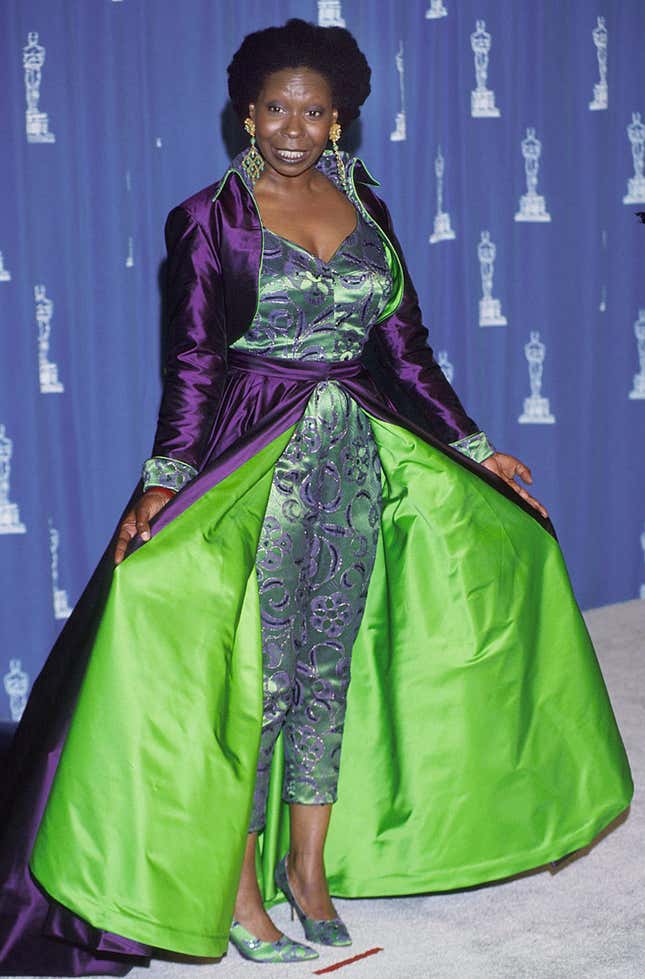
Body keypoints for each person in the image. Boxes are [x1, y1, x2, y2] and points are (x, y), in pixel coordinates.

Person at [0, 17, 633, 975]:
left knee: (326, 670)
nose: (294, 125)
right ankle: (238, 889)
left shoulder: (366, 205)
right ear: (245, 116)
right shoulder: (208, 218)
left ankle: (306, 869)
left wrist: (473, 447)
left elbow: (404, 347)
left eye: (313, 110)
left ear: (338, 122)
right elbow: (194, 364)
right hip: (255, 450)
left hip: (354, 455)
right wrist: (168, 477)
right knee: (259, 680)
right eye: (276, 108)